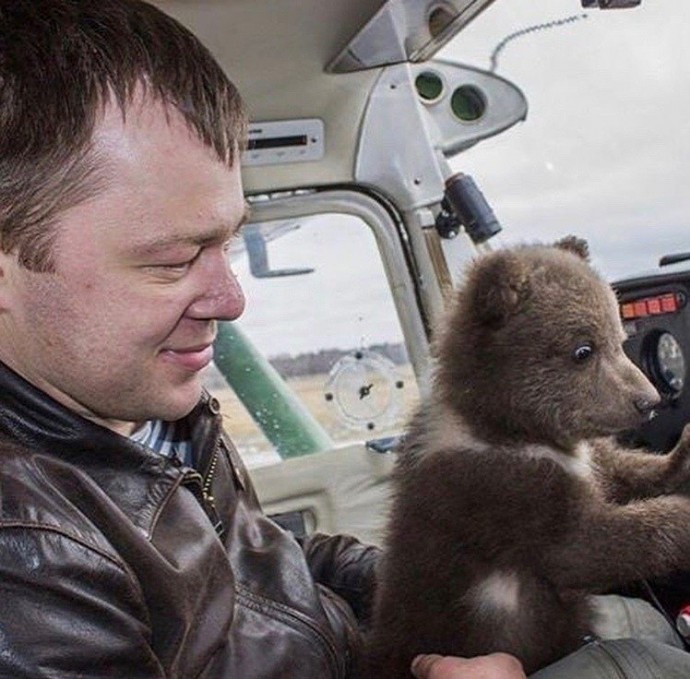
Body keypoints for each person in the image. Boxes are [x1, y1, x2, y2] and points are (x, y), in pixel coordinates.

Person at [0, 2, 689, 679]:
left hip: (375, 646)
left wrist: (438, 573)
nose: (232, 299)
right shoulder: (28, 563)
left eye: (230, 243)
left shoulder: (145, 411)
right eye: (173, 260)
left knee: (647, 630)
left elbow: (271, 571)